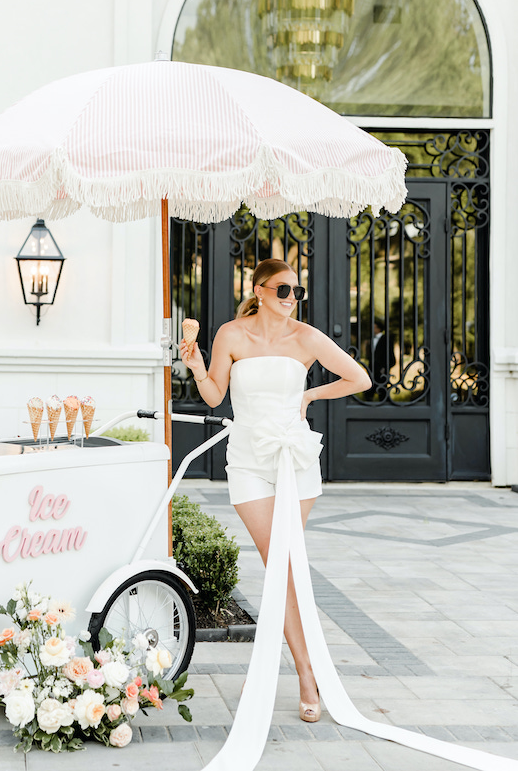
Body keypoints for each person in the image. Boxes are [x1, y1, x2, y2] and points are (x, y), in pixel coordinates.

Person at [180, 257, 371, 723]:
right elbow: (213, 396)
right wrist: (197, 365)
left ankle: (285, 670)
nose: (291, 299)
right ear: (259, 290)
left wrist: (308, 396)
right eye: (283, 290)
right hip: (247, 460)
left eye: (297, 292)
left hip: (293, 459)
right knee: (278, 563)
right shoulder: (231, 334)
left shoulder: (305, 337)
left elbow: (359, 378)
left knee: (281, 565)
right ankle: (303, 673)